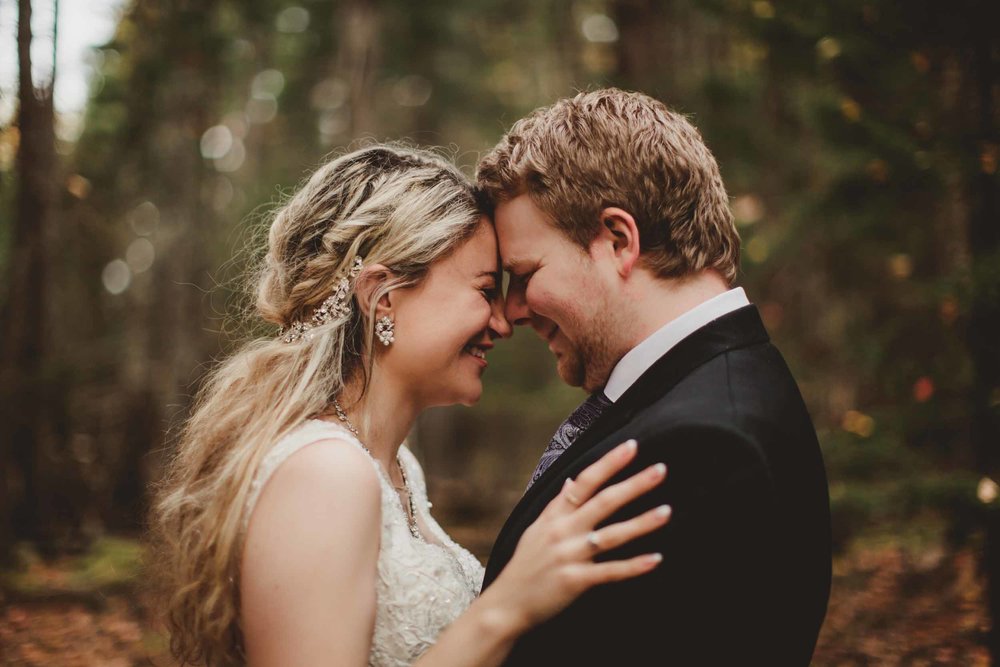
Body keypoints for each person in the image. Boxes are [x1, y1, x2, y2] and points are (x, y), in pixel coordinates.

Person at [150, 145, 674, 667]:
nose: (503, 322)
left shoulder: (399, 471)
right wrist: (506, 607)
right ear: (383, 297)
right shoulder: (326, 473)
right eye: (485, 290)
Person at [475, 88, 832, 665]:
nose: (513, 311)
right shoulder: (714, 383)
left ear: (618, 240)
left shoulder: (705, 447)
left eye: (526, 274)